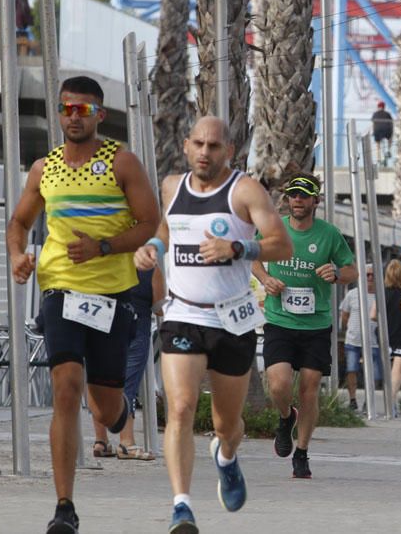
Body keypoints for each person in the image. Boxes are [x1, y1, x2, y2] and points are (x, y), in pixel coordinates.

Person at [6, 76, 160, 534]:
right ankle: (64, 508)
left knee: (105, 409)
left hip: (112, 294)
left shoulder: (122, 162)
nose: (74, 117)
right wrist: (18, 255)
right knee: (66, 386)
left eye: (84, 110)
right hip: (60, 289)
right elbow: (19, 220)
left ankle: (120, 415)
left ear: (100, 116)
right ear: (59, 113)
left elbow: (149, 222)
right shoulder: (43, 168)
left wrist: (105, 246)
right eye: (67, 109)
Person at [134, 116, 292, 533]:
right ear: (186, 146)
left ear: (229, 151)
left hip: (232, 319)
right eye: (199, 144)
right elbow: (165, 229)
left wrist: (238, 246)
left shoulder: (244, 190)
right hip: (183, 313)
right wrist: (151, 247)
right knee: (181, 407)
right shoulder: (171, 186)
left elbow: (281, 242)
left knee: (227, 424)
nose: (205, 152)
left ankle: (225, 457)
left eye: (214, 146)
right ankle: (181, 506)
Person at [252, 173, 358, 479]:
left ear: (315, 200)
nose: (297, 200)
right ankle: (286, 418)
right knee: (280, 384)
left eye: (304, 195)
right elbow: (254, 256)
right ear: (286, 199)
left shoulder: (329, 234)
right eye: (293, 195)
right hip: (280, 320)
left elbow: (351, 270)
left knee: (310, 389)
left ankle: (302, 452)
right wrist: (265, 278)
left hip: (316, 325)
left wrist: (337, 273)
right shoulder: (274, 228)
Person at [91, 267, 164, 461]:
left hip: (101, 319)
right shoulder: (149, 266)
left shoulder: (105, 258)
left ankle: (101, 440)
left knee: (97, 380)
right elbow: (159, 306)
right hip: (136, 324)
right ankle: (127, 441)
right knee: (128, 383)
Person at [340, 264, 382, 411]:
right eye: (367, 275)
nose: (370, 278)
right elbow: (344, 316)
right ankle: (352, 399)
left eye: (372, 275)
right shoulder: (352, 294)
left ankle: (368, 401)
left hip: (373, 342)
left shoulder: (380, 296)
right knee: (351, 370)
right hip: (353, 340)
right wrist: (351, 329)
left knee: (374, 374)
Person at [371, 259, 401, 416]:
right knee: (398, 371)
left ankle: (386, 403)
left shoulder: (382, 294)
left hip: (385, 335)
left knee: (387, 369)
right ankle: (391, 403)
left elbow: (373, 315)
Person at [371, 101, 393, 165]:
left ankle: (378, 158)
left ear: (378, 107)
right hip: (387, 131)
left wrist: (373, 132)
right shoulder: (387, 114)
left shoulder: (375, 114)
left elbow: (373, 124)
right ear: (384, 107)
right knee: (390, 138)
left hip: (377, 131)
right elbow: (391, 124)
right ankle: (389, 149)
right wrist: (391, 132)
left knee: (378, 145)